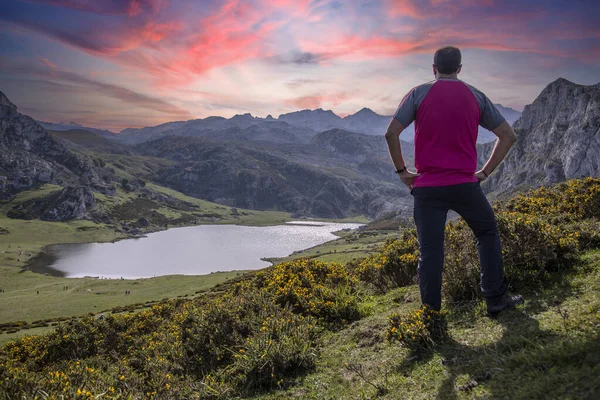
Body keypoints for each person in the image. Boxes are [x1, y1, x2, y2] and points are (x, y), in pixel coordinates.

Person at [385, 46, 523, 314]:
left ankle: (432, 316)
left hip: (427, 189)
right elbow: (508, 136)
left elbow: (391, 134)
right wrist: (484, 172)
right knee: (487, 233)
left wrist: (402, 172)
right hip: (465, 186)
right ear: (459, 69)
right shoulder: (475, 96)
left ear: (433, 68)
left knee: (430, 253)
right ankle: (495, 300)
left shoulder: (417, 93)